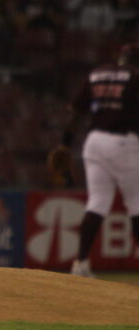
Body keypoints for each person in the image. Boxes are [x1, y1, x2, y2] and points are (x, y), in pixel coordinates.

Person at [50, 43, 139, 278]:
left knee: (98, 202)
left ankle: (80, 263)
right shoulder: (136, 76)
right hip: (124, 141)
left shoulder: (97, 73)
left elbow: (77, 113)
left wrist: (65, 143)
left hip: (94, 141)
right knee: (137, 203)